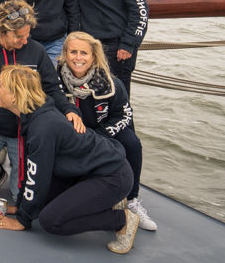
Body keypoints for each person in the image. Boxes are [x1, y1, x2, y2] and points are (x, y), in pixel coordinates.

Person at [0, 64, 140, 255]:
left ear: (15, 96)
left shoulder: (42, 128)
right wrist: (21, 207)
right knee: (42, 204)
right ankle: (106, 201)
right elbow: (31, 168)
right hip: (86, 172)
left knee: (51, 221)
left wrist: (23, 220)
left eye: (0, 84)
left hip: (112, 176)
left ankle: (121, 220)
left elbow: (38, 176)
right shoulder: (34, 114)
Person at [0, 0, 83, 201]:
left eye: (27, 35)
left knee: (20, 196)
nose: (25, 41)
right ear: (2, 31)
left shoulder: (37, 50)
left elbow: (53, 88)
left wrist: (69, 110)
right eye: (19, 36)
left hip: (25, 131)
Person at [58, 32, 156, 231]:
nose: (78, 57)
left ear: (94, 56)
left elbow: (124, 114)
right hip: (68, 135)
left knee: (132, 143)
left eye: (84, 53)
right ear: (65, 54)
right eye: (73, 52)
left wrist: (99, 136)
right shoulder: (54, 82)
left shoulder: (110, 83)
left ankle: (131, 200)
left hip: (101, 132)